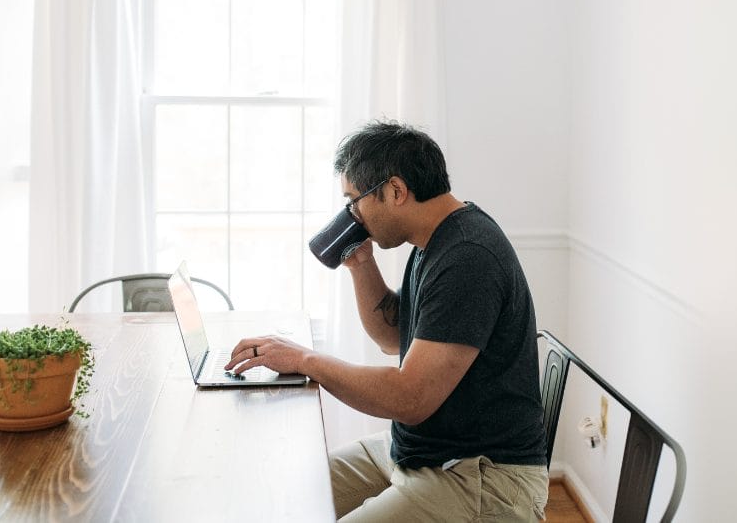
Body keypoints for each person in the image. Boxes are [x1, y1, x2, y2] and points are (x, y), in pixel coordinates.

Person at [225, 120, 548, 521]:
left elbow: (410, 398)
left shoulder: (468, 256)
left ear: (395, 191)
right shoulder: (434, 241)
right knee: (284, 494)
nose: (352, 215)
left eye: (354, 201)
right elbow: (393, 336)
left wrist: (305, 360)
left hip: (479, 476)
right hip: (420, 451)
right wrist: (362, 264)